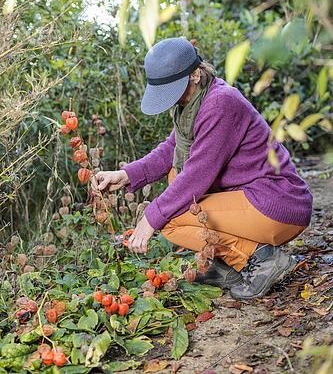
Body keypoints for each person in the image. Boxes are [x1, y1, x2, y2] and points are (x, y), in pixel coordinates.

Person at [92, 37, 313, 300]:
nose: (173, 99)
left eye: (175, 89)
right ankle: (228, 266)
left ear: (195, 74)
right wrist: (126, 174)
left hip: (278, 201)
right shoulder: (193, 105)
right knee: (175, 182)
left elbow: (198, 174)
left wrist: (150, 217)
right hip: (253, 196)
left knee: (170, 218)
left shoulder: (220, 103)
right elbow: (170, 150)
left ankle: (262, 259)